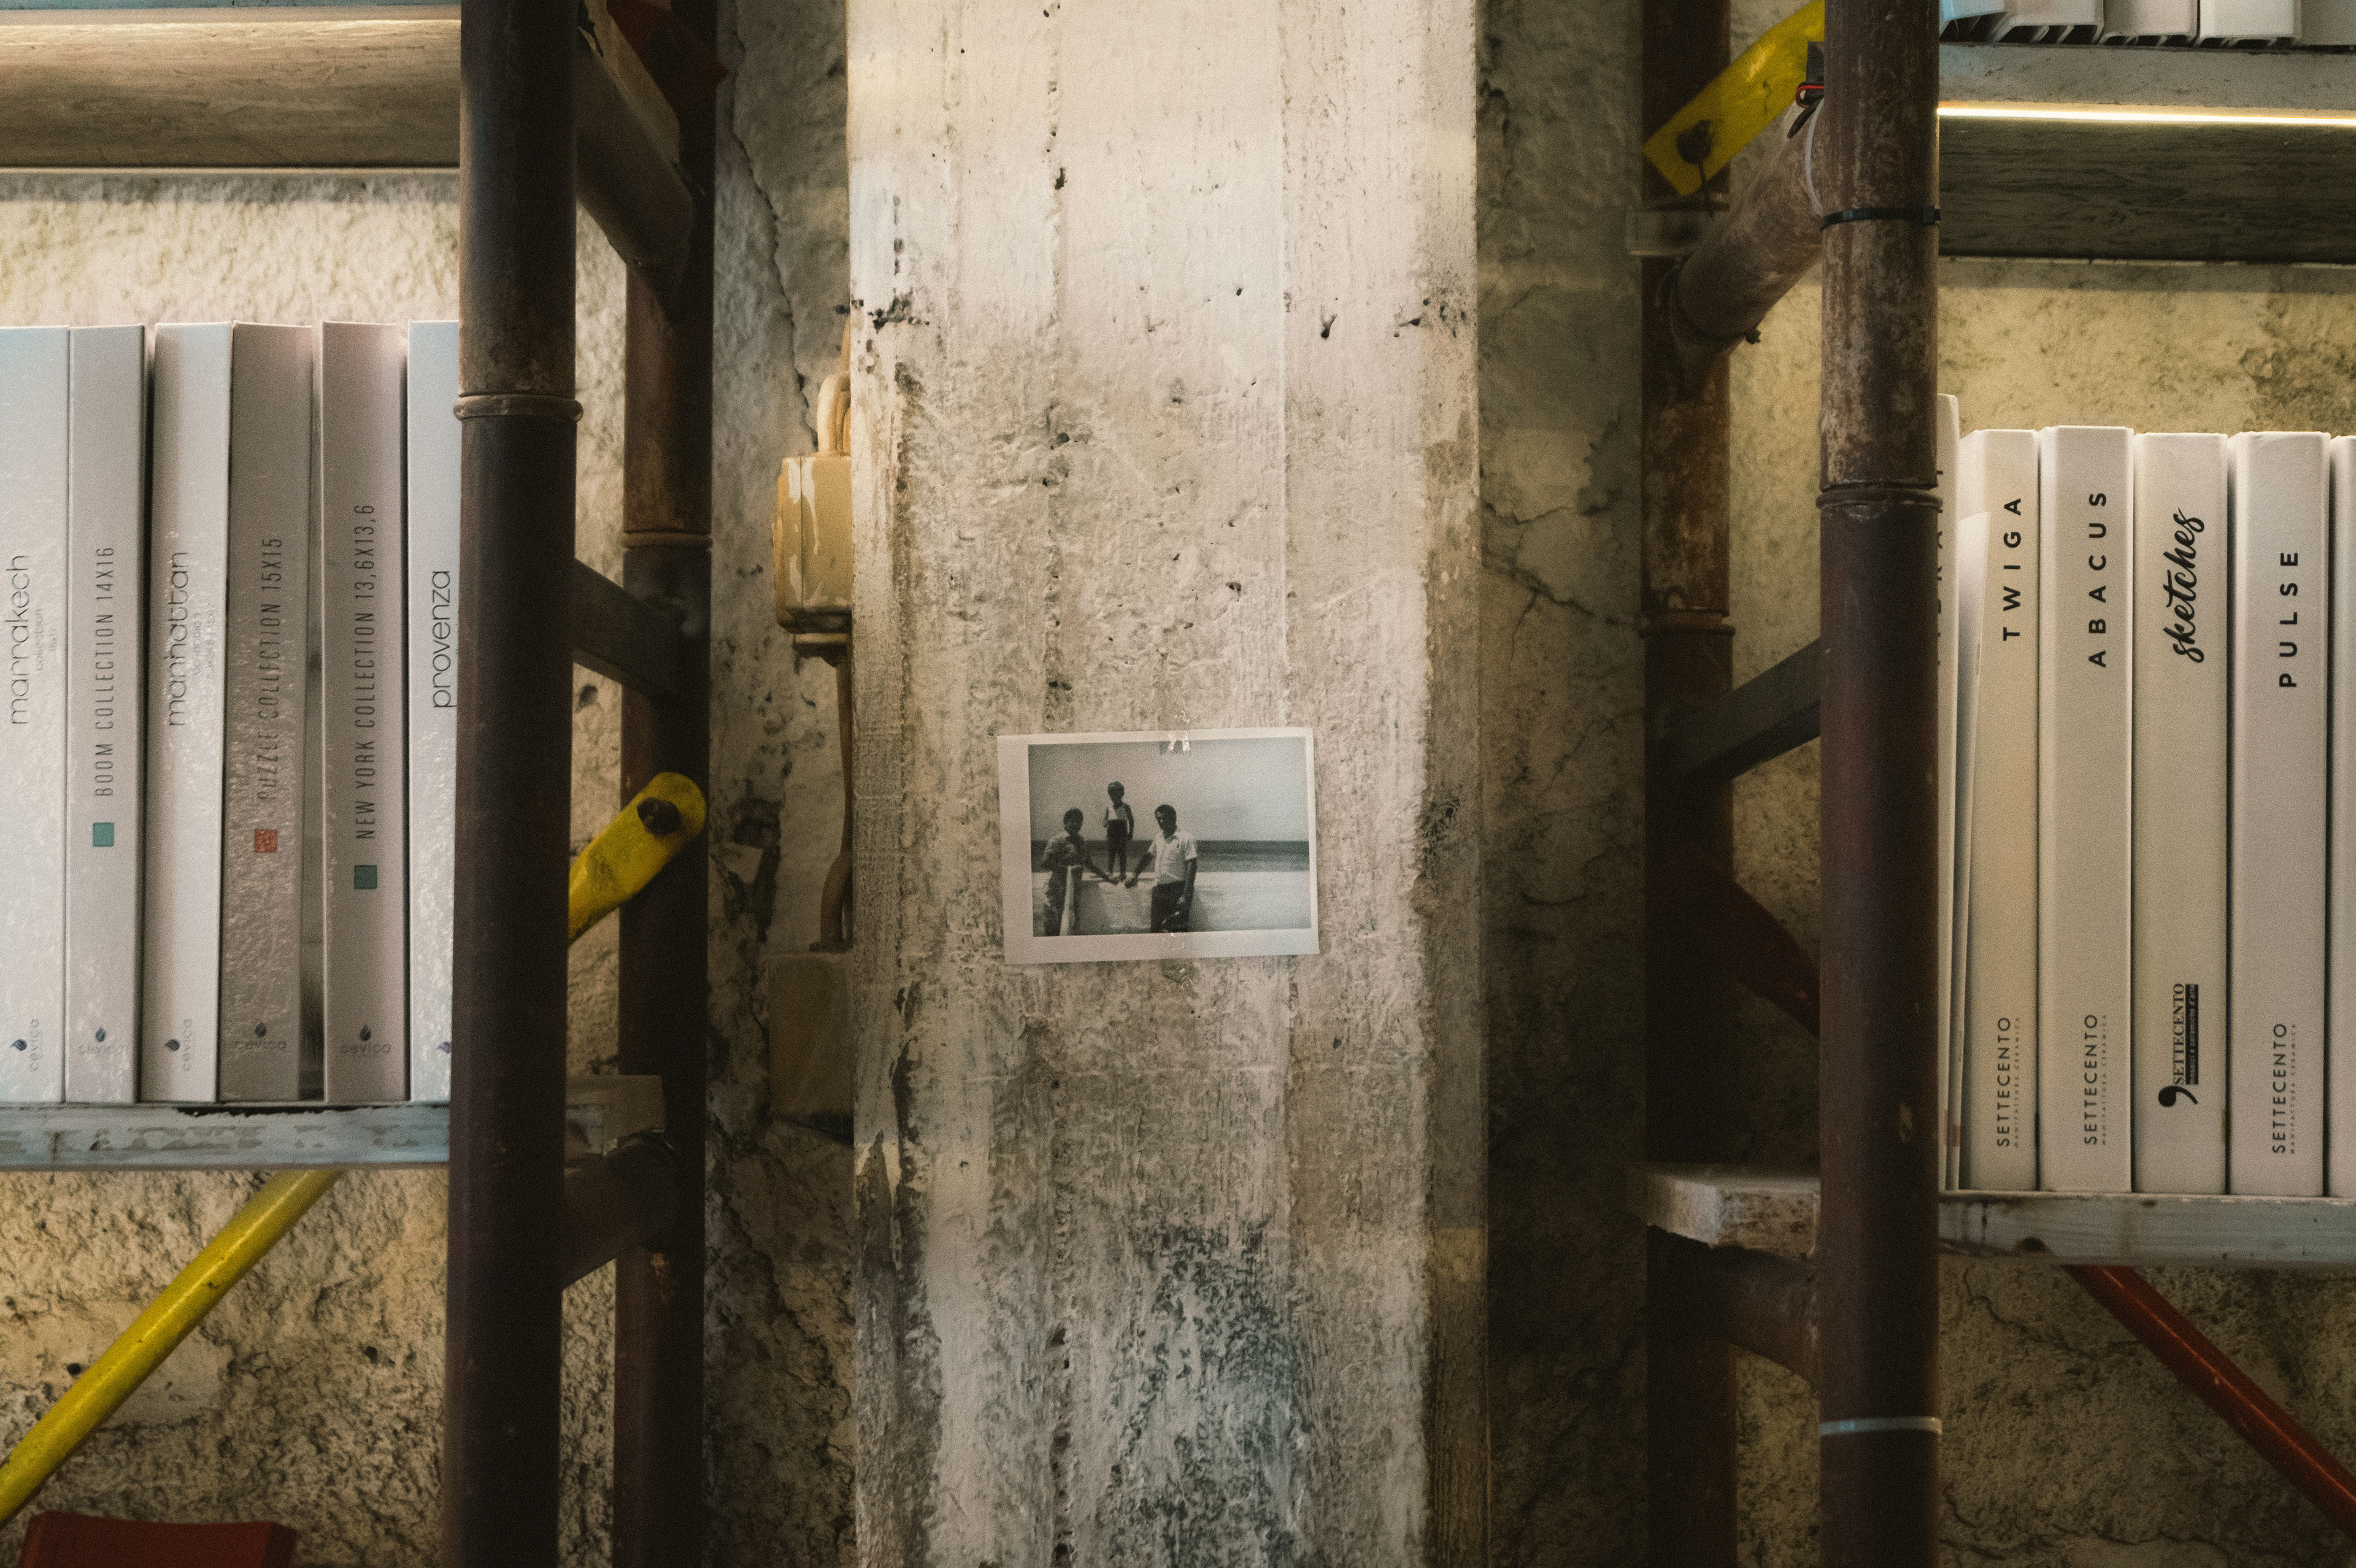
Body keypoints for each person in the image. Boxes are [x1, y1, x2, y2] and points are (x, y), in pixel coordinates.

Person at [1126, 803, 1198, 932]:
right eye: (1158, 819)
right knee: (1156, 930)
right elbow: (1148, 856)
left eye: (1164, 818)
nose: (1161, 822)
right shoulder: (1158, 838)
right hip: (1159, 890)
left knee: (1176, 932)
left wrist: (1185, 895)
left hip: (1177, 890)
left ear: (1174, 818)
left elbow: (1192, 866)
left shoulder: (1186, 838)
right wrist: (1134, 876)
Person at [1038, 807, 1111, 936]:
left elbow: (1090, 865)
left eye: (1079, 822)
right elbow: (1045, 863)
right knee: (1053, 930)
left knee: (1072, 928)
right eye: (1073, 821)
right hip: (1056, 894)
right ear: (1065, 823)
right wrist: (1066, 870)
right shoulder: (1057, 840)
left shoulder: (1081, 841)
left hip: (1074, 893)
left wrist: (1108, 878)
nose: (1076, 824)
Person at [1103, 782, 1136, 879]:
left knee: (1122, 854)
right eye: (1112, 794)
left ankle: (1123, 873)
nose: (1114, 797)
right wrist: (1106, 822)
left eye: (1117, 793)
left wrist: (1131, 833)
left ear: (1122, 794)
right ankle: (1110, 872)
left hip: (1122, 833)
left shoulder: (1126, 807)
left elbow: (1131, 820)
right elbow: (1105, 820)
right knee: (1111, 854)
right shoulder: (1109, 808)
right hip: (1111, 833)